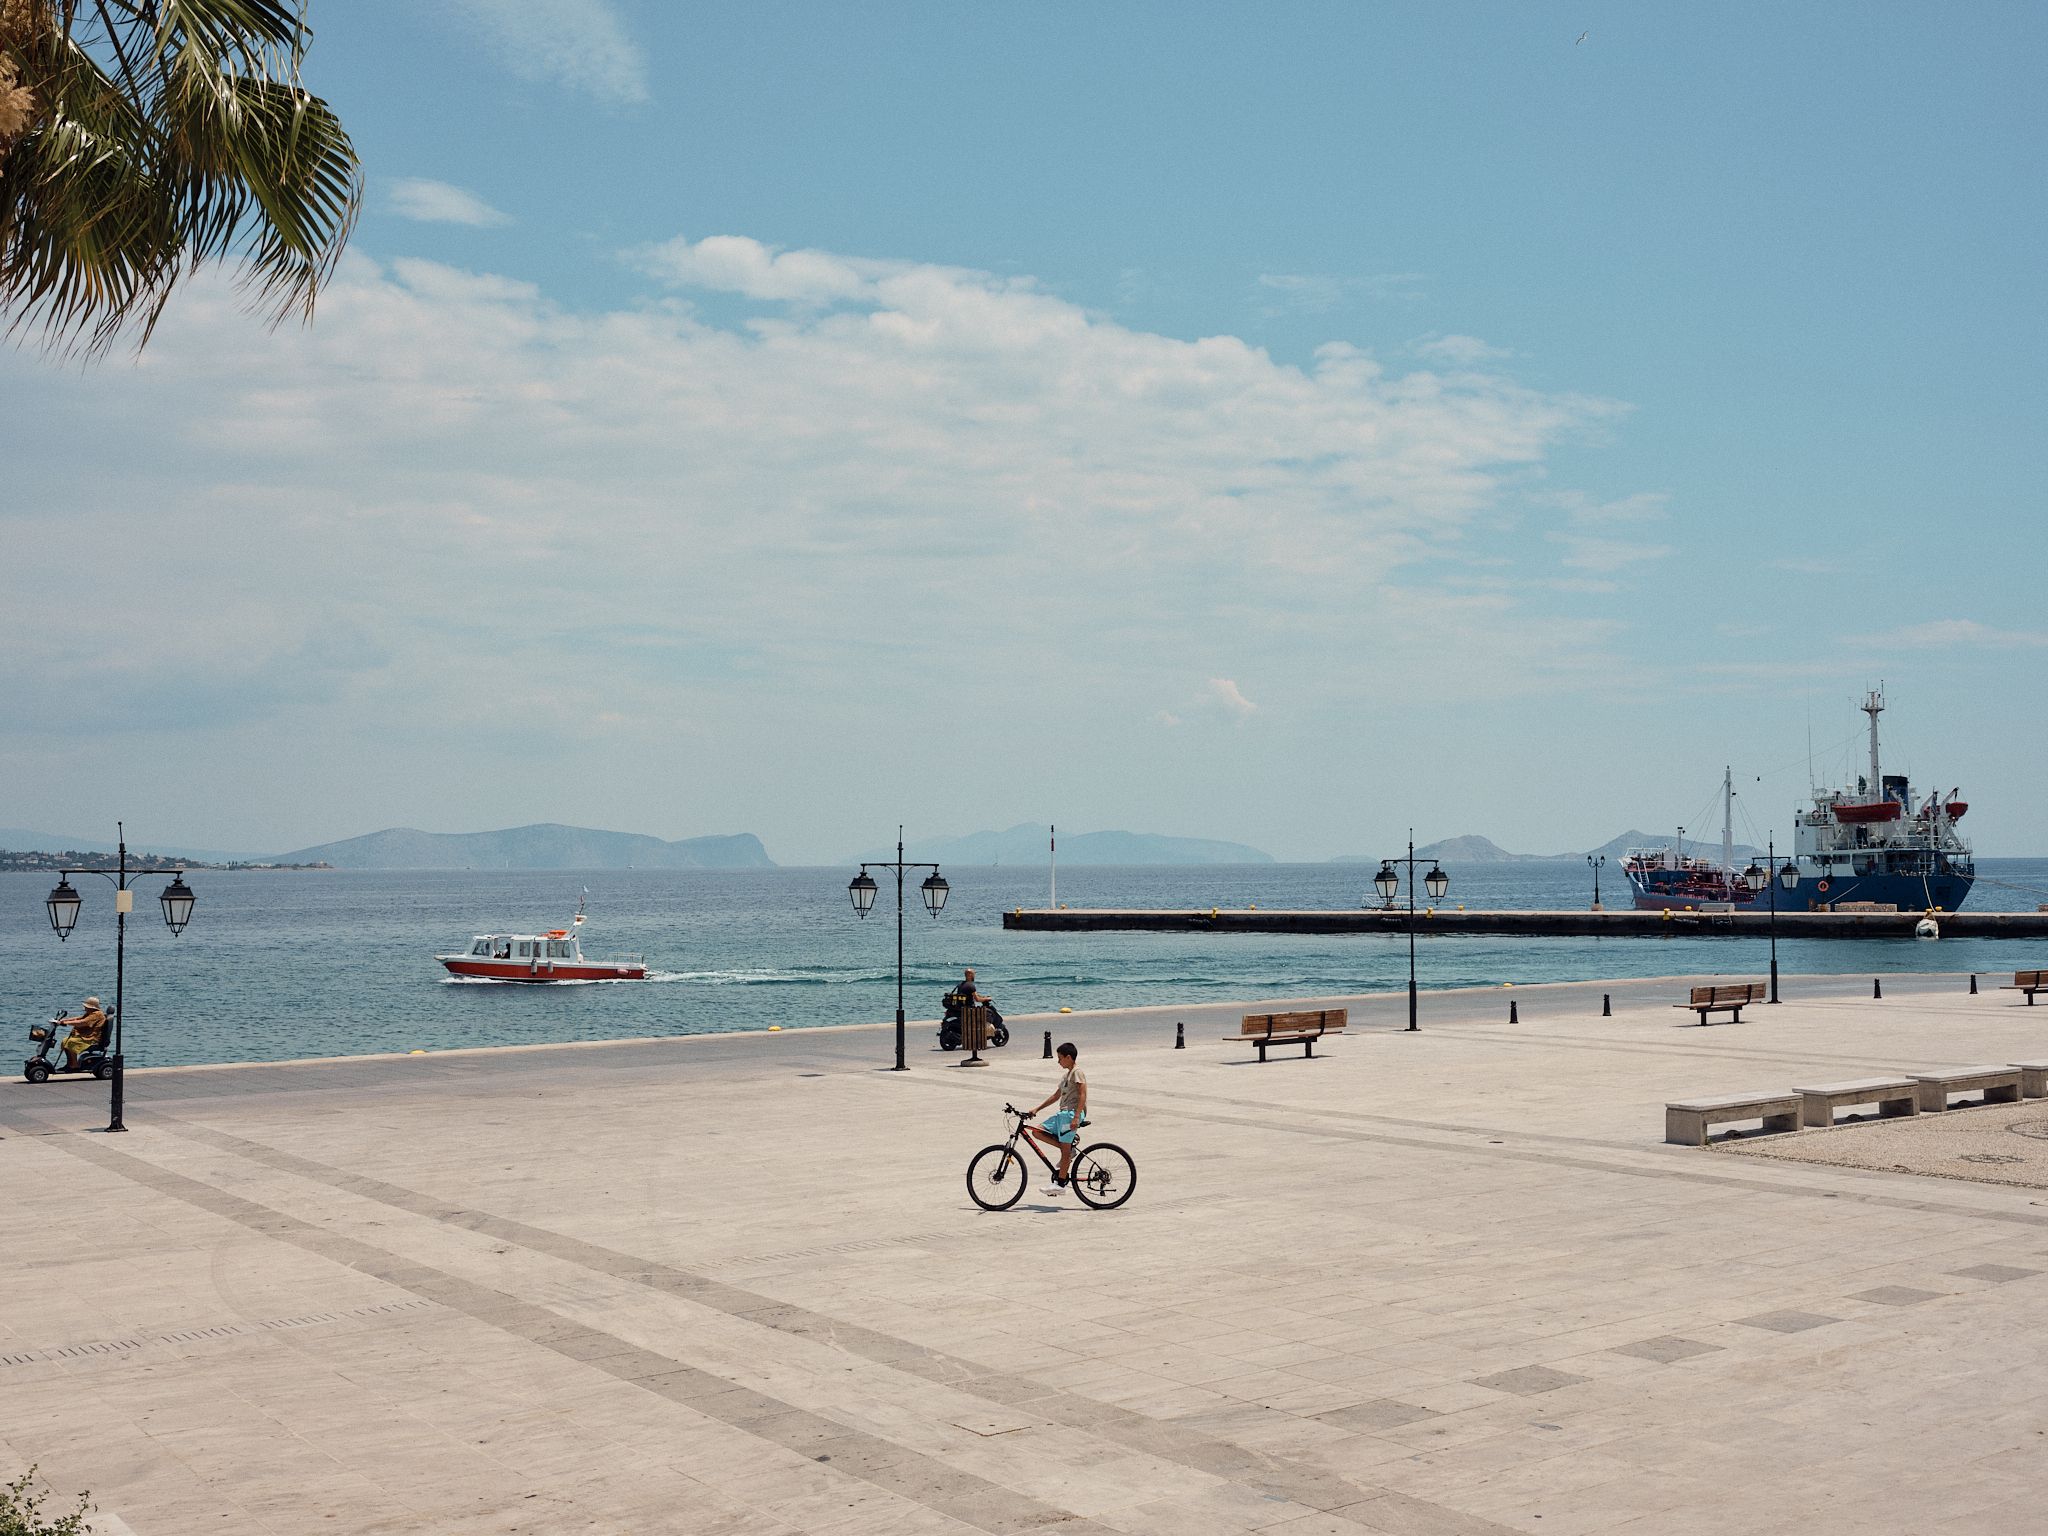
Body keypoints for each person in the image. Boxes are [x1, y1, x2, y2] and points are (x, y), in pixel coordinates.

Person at [1023, 1042, 1087, 1195]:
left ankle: (1060, 1184)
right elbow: (1056, 1096)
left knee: (1065, 1151)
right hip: (1063, 1115)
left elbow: (1083, 1094)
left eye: (1060, 1058)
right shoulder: (1066, 1076)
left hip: (1071, 1115)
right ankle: (1068, 1150)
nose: (1058, 1061)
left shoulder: (1077, 1072)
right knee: (1037, 1131)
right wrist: (1037, 1109)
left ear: (1069, 1057)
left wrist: (1076, 1117)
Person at [55, 995, 107, 1067]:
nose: (85, 1008)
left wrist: (65, 1023)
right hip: (87, 1037)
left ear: (91, 1007)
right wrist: (63, 1020)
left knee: (70, 1042)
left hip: (91, 1039)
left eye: (86, 1007)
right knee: (65, 1041)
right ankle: (70, 1064)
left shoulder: (97, 1014)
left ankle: (74, 1065)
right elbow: (79, 1018)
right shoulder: (91, 1013)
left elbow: (82, 1022)